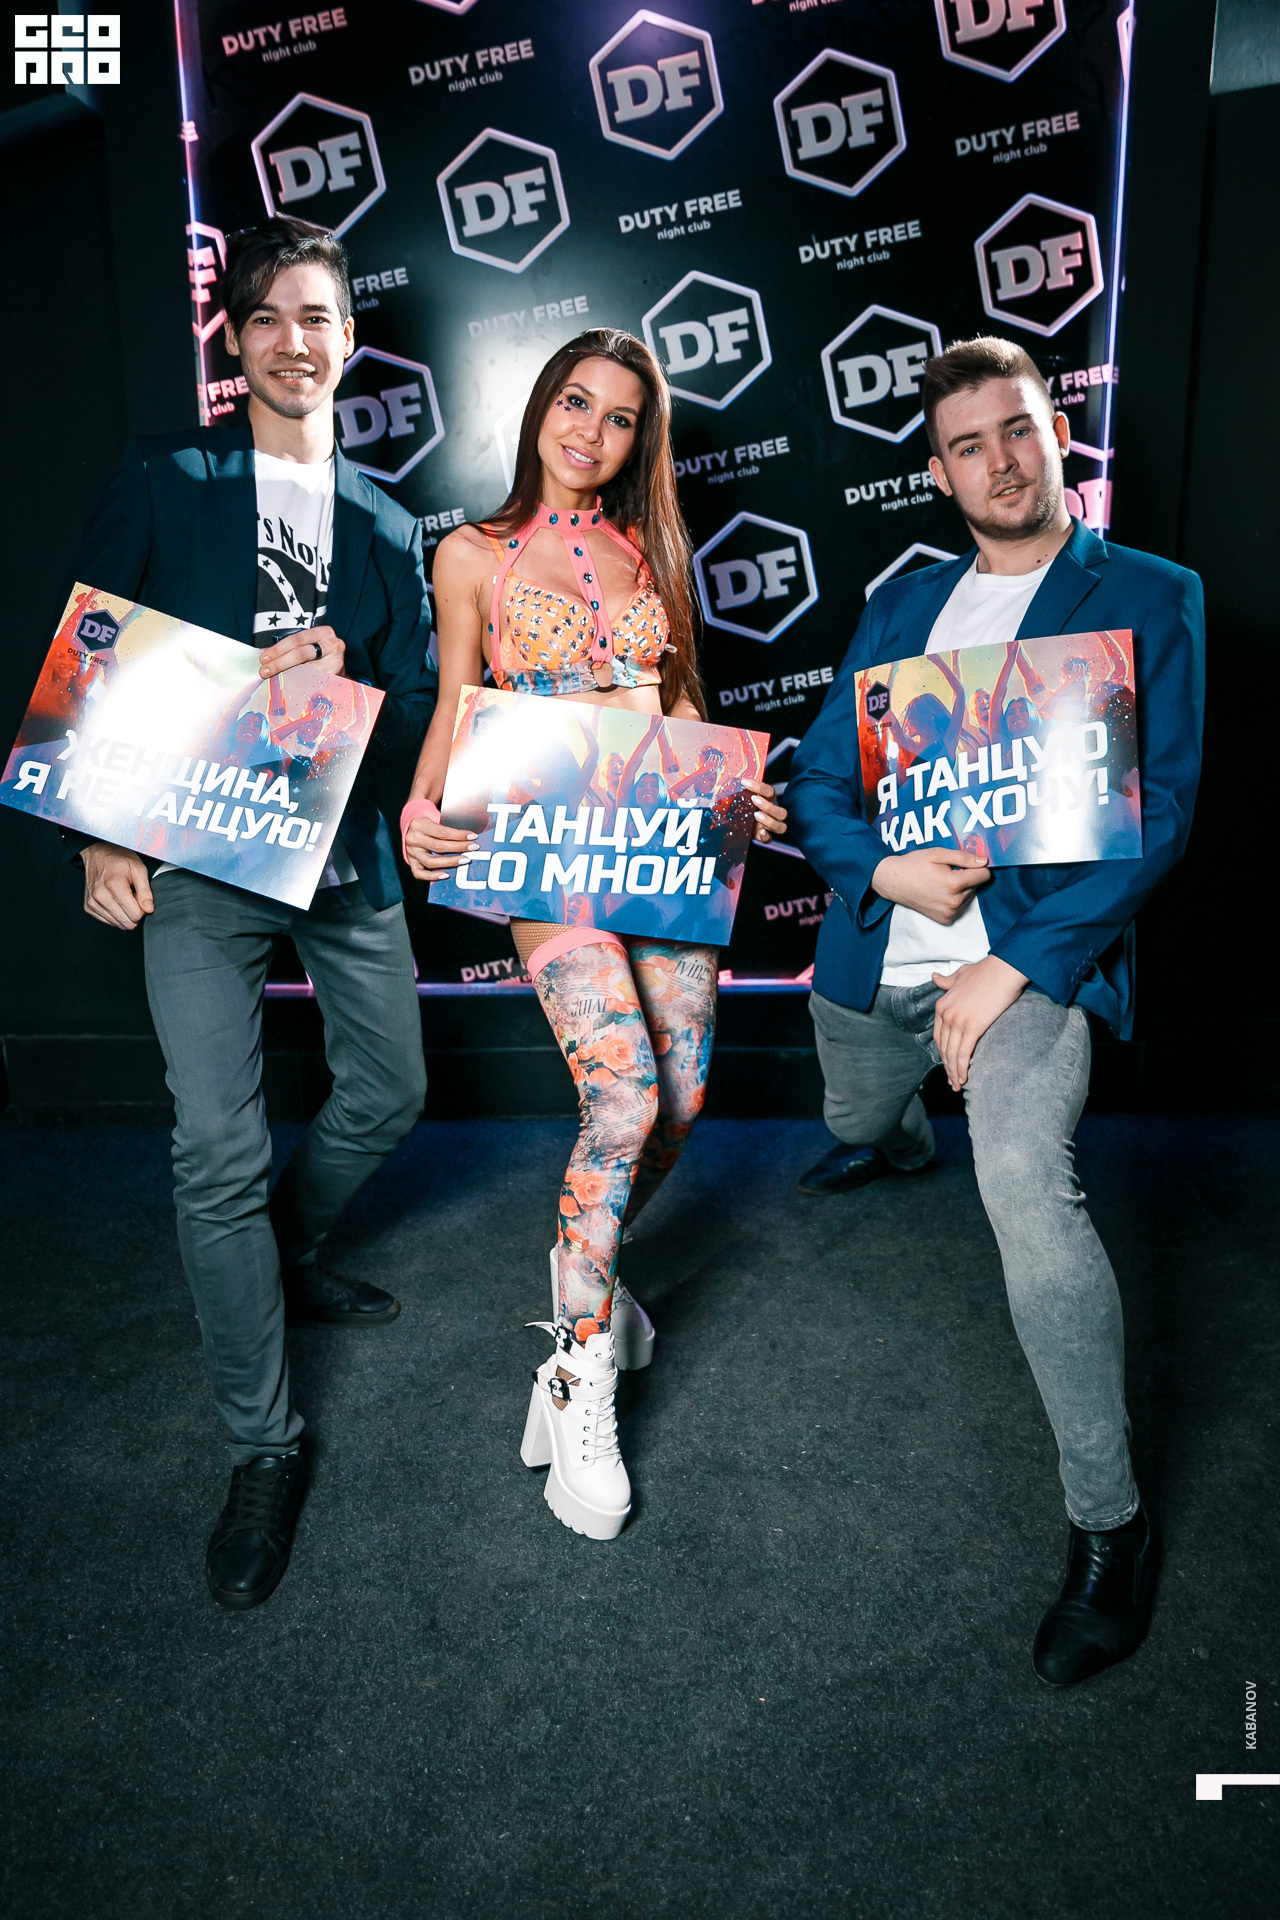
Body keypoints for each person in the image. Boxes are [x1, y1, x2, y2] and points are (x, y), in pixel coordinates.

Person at [787, 335, 1204, 1687]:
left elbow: (1158, 817)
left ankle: (1108, 1527)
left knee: (1021, 1174)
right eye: (969, 445)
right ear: (938, 472)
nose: (1001, 462)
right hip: (880, 954)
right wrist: (882, 871)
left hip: (1029, 967)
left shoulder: (1149, 593)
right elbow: (819, 781)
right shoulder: (907, 605)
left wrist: (1010, 963)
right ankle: (894, 1133)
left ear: (1055, 431)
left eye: (1018, 429)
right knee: (857, 1116)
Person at [66, 217, 436, 1609]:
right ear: (235, 336)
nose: (295, 341)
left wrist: (353, 679)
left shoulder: (389, 521)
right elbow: (93, 647)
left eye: (318, 317)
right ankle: (262, 1448)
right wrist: (97, 830)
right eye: (270, 316)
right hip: (197, 855)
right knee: (214, 1148)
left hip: (337, 853)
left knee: (391, 1087)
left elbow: (417, 700)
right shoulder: (169, 476)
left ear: (350, 339)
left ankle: (283, 1249)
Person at [403, 329, 786, 1542]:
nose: (591, 432)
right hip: (544, 848)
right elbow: (455, 704)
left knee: (681, 1101)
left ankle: (594, 1275)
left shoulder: (650, 550)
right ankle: (577, 1371)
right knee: (620, 1097)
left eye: (620, 418)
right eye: (575, 402)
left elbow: (678, 706)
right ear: (539, 407)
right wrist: (420, 808)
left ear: (639, 439)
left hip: (661, 840)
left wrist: (737, 794)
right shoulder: (471, 553)